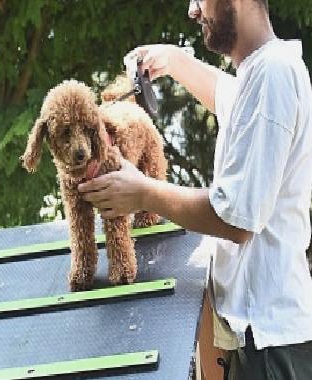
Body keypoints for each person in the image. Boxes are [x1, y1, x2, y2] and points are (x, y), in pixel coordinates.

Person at [78, 0, 312, 378]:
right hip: (260, 341)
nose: (193, 10)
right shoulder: (262, 73)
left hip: (271, 348)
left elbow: (237, 218)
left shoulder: (274, 74)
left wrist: (143, 193)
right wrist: (173, 61)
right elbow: (228, 96)